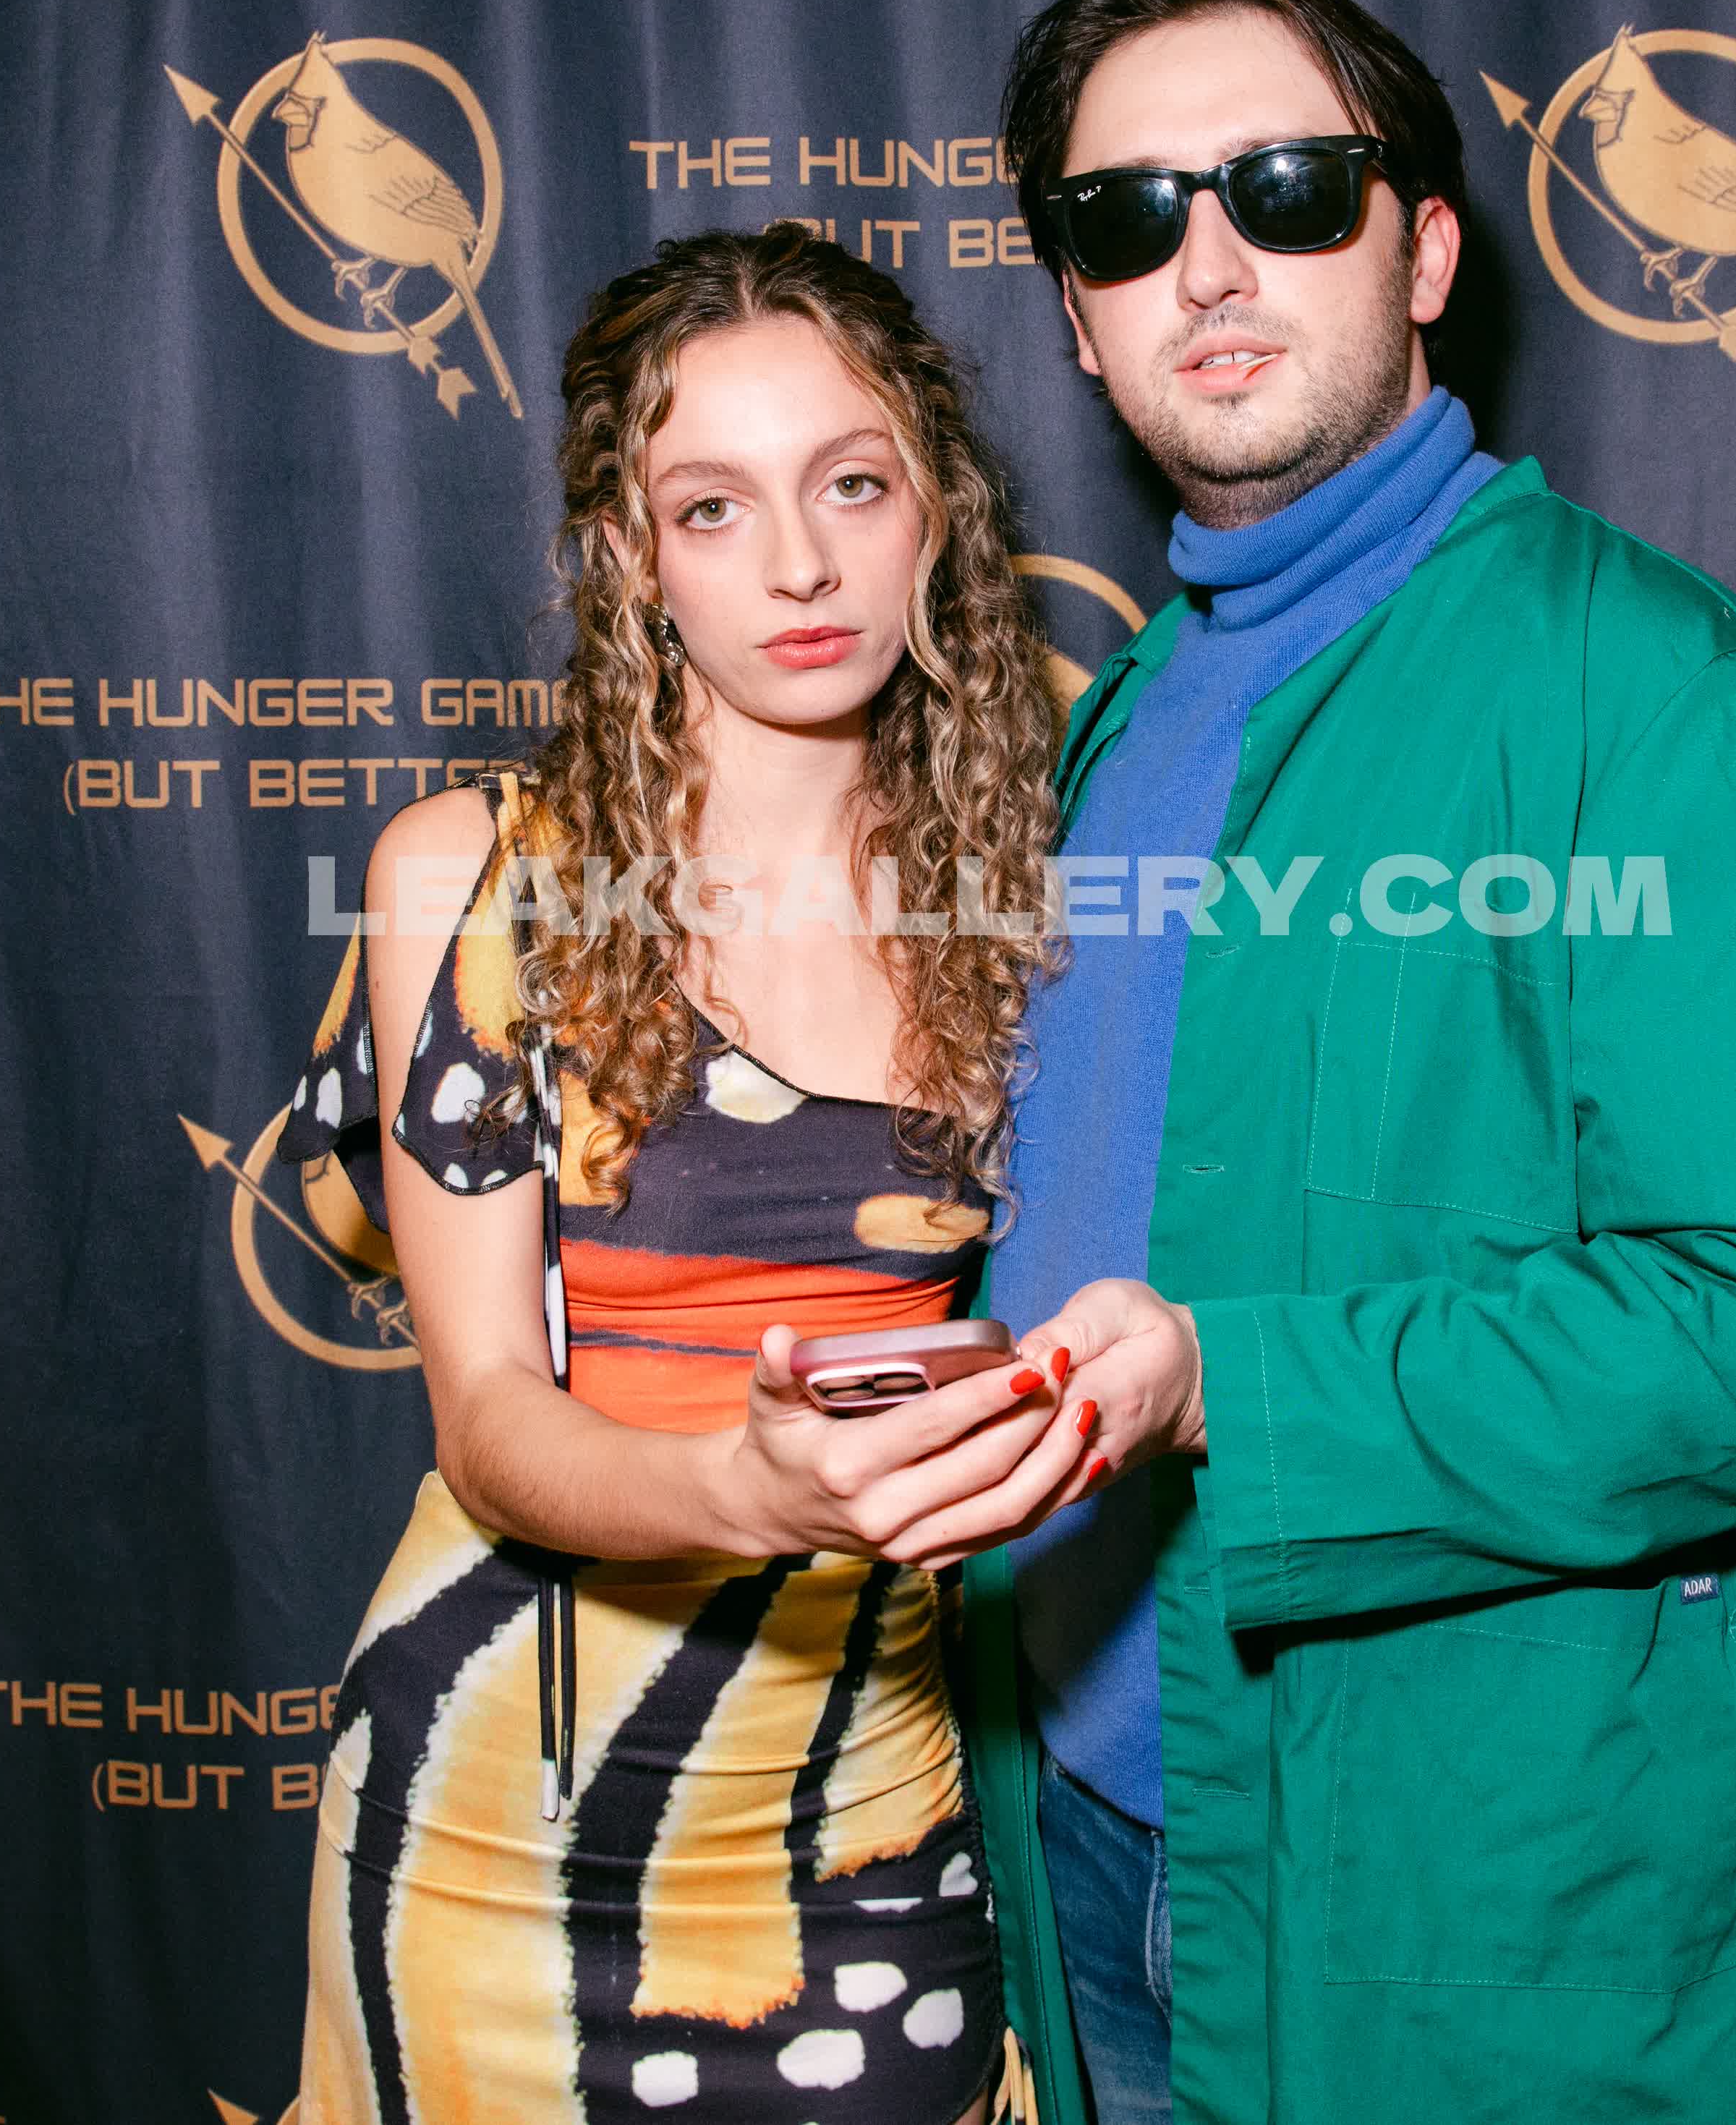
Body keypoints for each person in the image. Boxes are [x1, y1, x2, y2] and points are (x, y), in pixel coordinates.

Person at [964, 0, 1736, 2125]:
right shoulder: (1111, 725)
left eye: (1287, 190)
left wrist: (1231, 1384)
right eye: (1127, 220)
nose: (1211, 264)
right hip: (1091, 1839)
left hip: (1480, 1904)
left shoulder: (1666, 697)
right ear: (1081, 320)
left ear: (1424, 251)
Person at [275, 226, 1094, 2125]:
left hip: (868, 1800)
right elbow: (489, 1419)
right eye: (711, 508)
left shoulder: (1052, 878)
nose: (800, 564)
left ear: (937, 513)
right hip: (504, 1817)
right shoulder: (479, 879)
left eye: (852, 484)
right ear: (632, 559)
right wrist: (747, 1485)